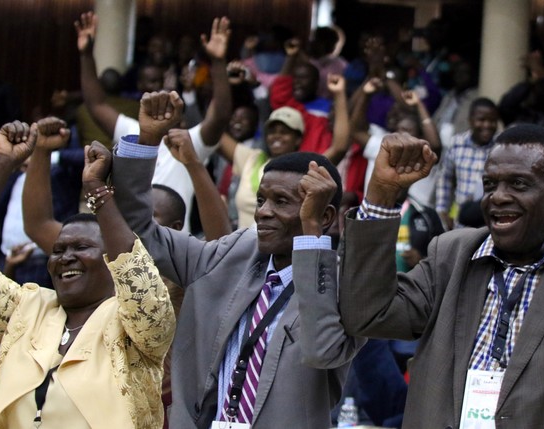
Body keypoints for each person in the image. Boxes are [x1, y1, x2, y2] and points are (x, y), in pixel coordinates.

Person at [339, 125, 544, 428]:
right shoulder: (452, 253)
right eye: (490, 184)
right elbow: (367, 315)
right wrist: (381, 196)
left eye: (518, 184)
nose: (498, 197)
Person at [111, 90, 364, 428]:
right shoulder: (231, 254)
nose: (263, 212)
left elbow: (323, 350)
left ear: (325, 215)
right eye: (261, 199)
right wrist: (147, 140)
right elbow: (140, 229)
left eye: (282, 202)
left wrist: (311, 231)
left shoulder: (343, 288)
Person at [0, 121, 176, 428]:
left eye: (81, 247)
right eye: (59, 250)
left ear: (110, 259)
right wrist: (0, 162)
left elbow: (137, 279)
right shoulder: (26, 308)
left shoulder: (133, 324)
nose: (66, 258)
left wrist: (97, 191)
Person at [75, 11, 231, 231]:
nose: (159, 99)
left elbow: (221, 115)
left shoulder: (188, 143)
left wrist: (217, 61)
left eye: (167, 95)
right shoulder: (132, 133)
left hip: (173, 251)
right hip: (128, 244)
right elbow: (96, 104)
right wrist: (86, 54)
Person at [217, 73, 350, 229]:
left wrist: (339, 94)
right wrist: (225, 82)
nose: (277, 136)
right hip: (246, 250)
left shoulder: (305, 167)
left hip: (283, 249)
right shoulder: (252, 158)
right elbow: (215, 132)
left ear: (298, 138)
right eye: (272, 131)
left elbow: (340, 147)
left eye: (284, 131)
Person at [435, 97, 499, 229]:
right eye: (481, 120)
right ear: (471, 120)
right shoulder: (457, 143)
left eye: (492, 121)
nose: (487, 125)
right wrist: (442, 210)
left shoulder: (501, 147)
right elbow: (446, 179)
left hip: (490, 221)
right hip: (461, 221)